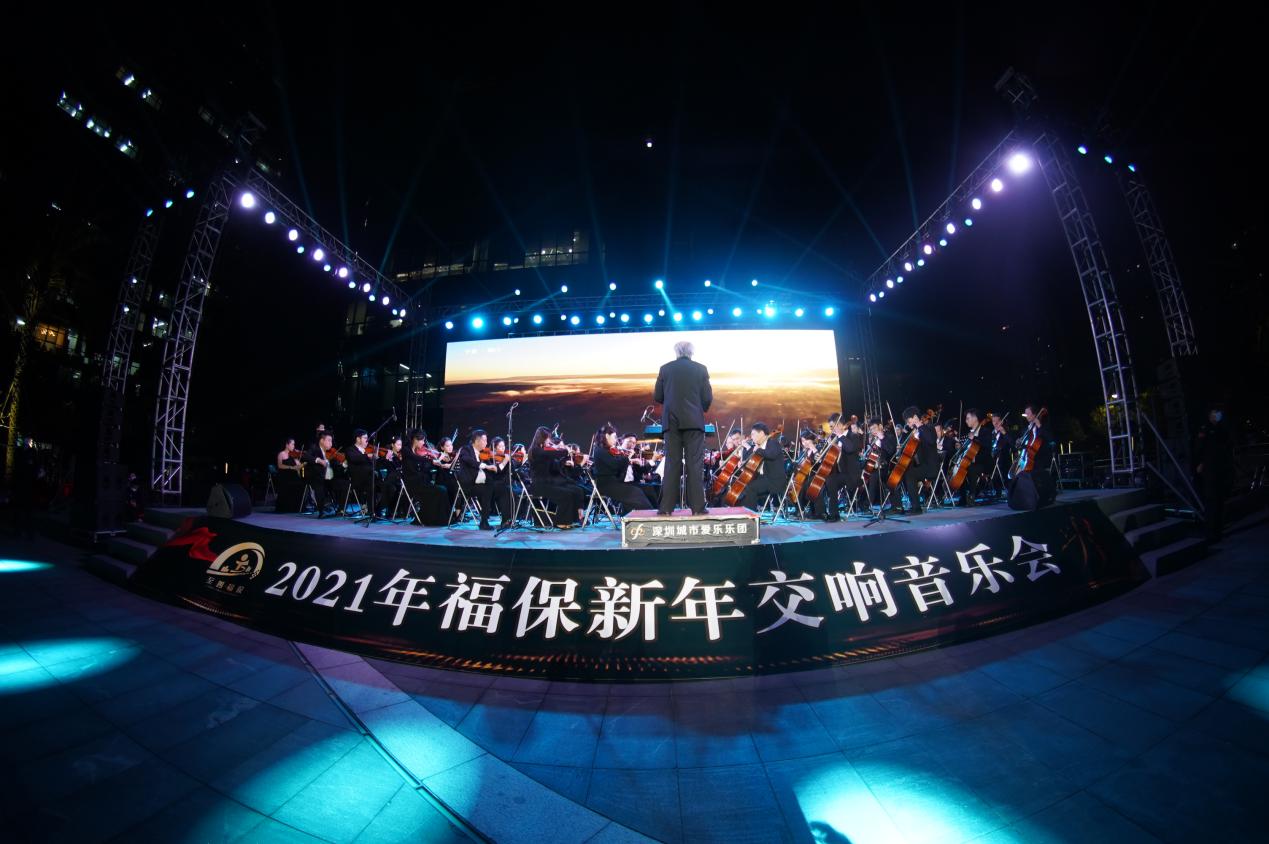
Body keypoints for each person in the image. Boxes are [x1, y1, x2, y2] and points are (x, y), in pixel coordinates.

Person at [653, 340, 713, 515]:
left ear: (676, 352)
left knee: (672, 464)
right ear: (691, 352)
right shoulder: (701, 369)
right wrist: (698, 408)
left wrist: (671, 401)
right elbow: (707, 397)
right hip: (694, 423)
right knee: (695, 466)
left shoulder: (665, 369)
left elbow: (658, 396)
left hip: (671, 423)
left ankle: (666, 508)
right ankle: (698, 508)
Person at [527, 426, 585, 527]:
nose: (549, 441)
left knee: (573, 491)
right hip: (539, 485)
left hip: (548, 483)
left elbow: (554, 465)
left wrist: (563, 457)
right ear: (542, 438)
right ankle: (561, 522)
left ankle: (572, 520)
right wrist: (565, 451)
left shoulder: (544, 450)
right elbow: (549, 454)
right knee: (566, 494)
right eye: (548, 438)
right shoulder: (535, 451)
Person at [590, 424, 656, 513]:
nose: (616, 440)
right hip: (606, 485)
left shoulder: (609, 450)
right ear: (607, 436)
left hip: (614, 482)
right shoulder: (599, 450)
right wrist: (627, 458)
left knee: (641, 491)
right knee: (636, 492)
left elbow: (617, 465)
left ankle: (650, 513)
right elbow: (615, 465)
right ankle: (646, 516)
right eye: (614, 437)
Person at [812, 414, 864, 522]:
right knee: (825, 480)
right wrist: (819, 456)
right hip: (839, 474)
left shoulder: (853, 436)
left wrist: (840, 435)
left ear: (840, 425)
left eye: (832, 426)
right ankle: (826, 513)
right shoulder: (834, 439)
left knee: (831, 481)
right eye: (830, 427)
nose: (831, 429)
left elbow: (850, 448)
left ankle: (833, 513)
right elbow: (829, 457)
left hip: (851, 474)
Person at [1194, 405, 1234, 541]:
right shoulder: (1205, 428)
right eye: (1215, 413)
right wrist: (1200, 463)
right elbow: (1199, 448)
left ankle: (1218, 531)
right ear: (1210, 415)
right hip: (1209, 469)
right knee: (1211, 500)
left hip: (1221, 468)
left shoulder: (1221, 429)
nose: (1217, 416)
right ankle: (1211, 533)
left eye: (1218, 413)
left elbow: (1226, 446)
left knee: (1220, 500)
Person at [731, 422, 786, 509]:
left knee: (751, 488)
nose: (751, 437)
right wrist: (743, 464)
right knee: (742, 485)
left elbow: (771, 455)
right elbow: (752, 463)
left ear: (761, 433)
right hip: (763, 478)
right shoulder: (758, 446)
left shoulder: (773, 443)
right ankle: (740, 510)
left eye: (753, 434)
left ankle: (750, 513)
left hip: (774, 480)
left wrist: (758, 450)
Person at [455, 429, 502, 529]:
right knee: (487, 489)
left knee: (496, 486)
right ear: (477, 441)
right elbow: (468, 460)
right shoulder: (466, 449)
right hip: (468, 485)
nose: (486, 443)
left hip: (480, 484)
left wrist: (496, 466)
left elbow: (490, 466)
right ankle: (484, 521)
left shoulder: (484, 453)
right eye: (484, 440)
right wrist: (485, 466)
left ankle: (498, 519)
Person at [898, 406, 939, 514]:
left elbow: (931, 440)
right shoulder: (914, 432)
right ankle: (909, 505)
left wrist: (919, 426)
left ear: (915, 417)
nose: (908, 424)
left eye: (908, 421)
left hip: (930, 466)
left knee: (909, 474)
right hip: (921, 466)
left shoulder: (929, 427)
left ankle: (916, 507)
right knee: (906, 472)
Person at [274, 438, 304, 513]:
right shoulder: (281, 454)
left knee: (301, 484)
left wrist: (303, 464)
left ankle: (297, 507)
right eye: (292, 444)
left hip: (294, 477)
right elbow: (280, 465)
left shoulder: (294, 455)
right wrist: (291, 467)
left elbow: (299, 466)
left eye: (294, 444)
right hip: (285, 476)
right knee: (288, 484)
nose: (294, 446)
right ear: (287, 445)